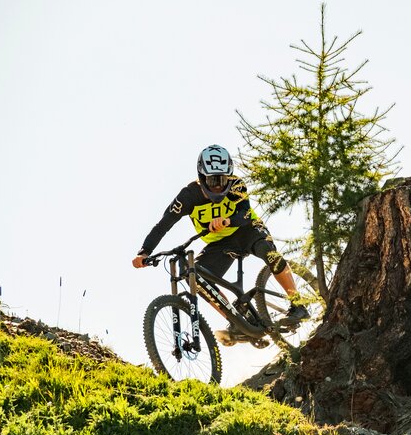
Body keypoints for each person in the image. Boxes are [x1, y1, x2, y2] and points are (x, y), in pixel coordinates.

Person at [132, 144, 309, 345]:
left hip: (247, 230)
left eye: (222, 179)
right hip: (220, 243)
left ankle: (298, 304)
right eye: (212, 180)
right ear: (201, 176)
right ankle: (238, 321)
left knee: (268, 252)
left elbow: (244, 214)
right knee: (195, 277)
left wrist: (227, 220)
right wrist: (145, 252)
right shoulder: (188, 196)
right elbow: (163, 225)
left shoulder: (236, 185)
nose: (217, 185)